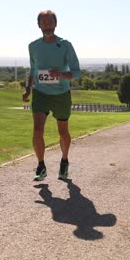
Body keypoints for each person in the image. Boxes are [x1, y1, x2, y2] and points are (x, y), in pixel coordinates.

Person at [22, 10, 81, 181]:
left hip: (61, 94)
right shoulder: (33, 46)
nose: (47, 26)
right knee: (37, 129)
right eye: (44, 22)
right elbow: (33, 69)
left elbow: (76, 72)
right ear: (38, 25)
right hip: (40, 93)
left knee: (63, 131)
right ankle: (41, 166)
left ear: (56, 24)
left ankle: (64, 161)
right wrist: (28, 89)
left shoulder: (65, 45)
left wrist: (60, 74)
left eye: (50, 22)